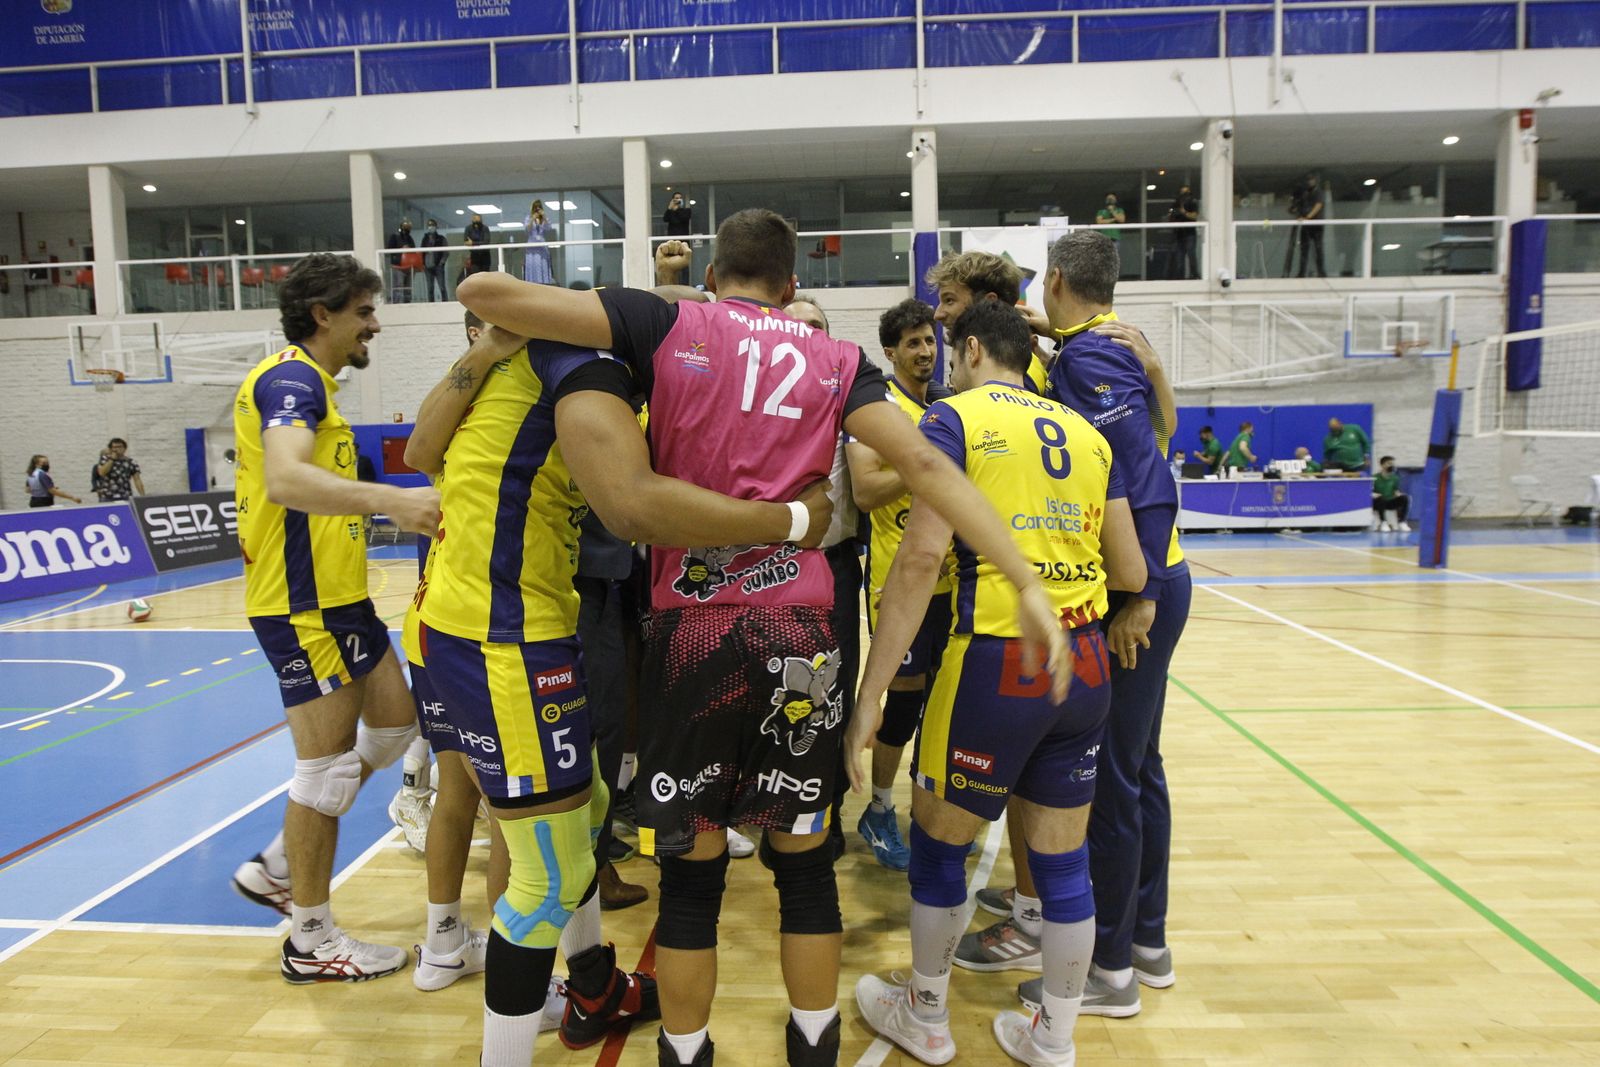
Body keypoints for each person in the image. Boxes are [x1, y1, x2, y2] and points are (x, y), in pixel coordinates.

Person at [457, 207, 1073, 1067]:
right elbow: (933, 465)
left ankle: (687, 1051)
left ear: (713, 274)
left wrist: (638, 299)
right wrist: (1024, 575)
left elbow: (482, 291)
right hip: (801, 637)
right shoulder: (836, 359)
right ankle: (811, 1046)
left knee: (692, 879)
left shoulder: (665, 319)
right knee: (807, 867)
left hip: (690, 632)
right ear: (791, 288)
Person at [399, 296, 835, 1065]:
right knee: (547, 873)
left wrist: (487, 348)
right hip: (501, 637)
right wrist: (792, 523)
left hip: (476, 620)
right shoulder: (585, 370)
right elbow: (635, 507)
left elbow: (417, 453)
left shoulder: (522, 363)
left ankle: (594, 981)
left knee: (591, 810)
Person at [850, 299, 1145, 1067]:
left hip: (994, 660)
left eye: (951, 352)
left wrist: (872, 693)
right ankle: (1054, 1037)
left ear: (972, 349)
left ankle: (927, 1017)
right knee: (1061, 863)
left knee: (940, 852)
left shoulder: (954, 419)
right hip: (1081, 663)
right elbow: (1132, 570)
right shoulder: (1086, 430)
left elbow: (918, 560)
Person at [958, 232, 1190, 1028]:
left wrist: (1144, 593)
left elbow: (1142, 474)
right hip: (1156, 573)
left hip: (1139, 586)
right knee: (1138, 766)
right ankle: (1147, 942)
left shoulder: (1092, 360)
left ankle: (1111, 968)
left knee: (1114, 784)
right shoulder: (1104, 346)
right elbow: (1164, 436)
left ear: (1054, 278)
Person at [227, 253, 443, 983]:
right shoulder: (290, 379)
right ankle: (310, 939)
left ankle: (283, 862)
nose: (373, 326)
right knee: (321, 775)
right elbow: (287, 478)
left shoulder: (314, 386)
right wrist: (392, 501)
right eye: (363, 312)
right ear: (324, 314)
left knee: (394, 724)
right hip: (302, 605)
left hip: (339, 598)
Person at [844, 298, 952, 871]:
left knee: (941, 703)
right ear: (890, 351)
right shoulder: (879, 405)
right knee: (903, 704)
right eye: (912, 342)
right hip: (895, 578)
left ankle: (926, 807)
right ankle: (880, 808)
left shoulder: (946, 405)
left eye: (930, 339)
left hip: (949, 579)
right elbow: (864, 489)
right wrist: (925, 464)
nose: (926, 350)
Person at [785, 294, 858, 864]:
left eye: (817, 327)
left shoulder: (853, 407)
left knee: (832, 695)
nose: (807, 335)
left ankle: (824, 814)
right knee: (780, 696)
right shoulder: (759, 408)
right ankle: (772, 812)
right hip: (767, 569)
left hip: (834, 566)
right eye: (797, 326)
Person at [924, 251, 1051, 394]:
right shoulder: (999, 361)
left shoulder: (1015, 372)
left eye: (949, 300)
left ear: (989, 301)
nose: (938, 315)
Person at [1294, 174, 1328, 279]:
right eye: (1308, 180)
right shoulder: (1305, 194)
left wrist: (1308, 217)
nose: (1309, 182)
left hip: (1316, 224)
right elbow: (1301, 206)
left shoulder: (1318, 193)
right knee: (1304, 249)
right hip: (1306, 225)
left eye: (1311, 180)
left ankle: (1321, 272)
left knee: (1318, 248)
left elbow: (1318, 205)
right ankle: (1302, 272)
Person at [1166, 185, 1198, 280]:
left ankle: (1194, 274)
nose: (1184, 195)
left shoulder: (1192, 203)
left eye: (1186, 193)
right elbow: (1171, 216)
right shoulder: (1176, 203)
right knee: (1179, 257)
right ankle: (1179, 277)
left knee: (1191, 254)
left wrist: (1184, 212)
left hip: (1189, 233)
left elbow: (1195, 216)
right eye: (1182, 193)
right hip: (1178, 234)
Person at [1372, 455, 1411, 531]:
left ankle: (1402, 522)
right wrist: (1374, 494)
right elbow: (1370, 492)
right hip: (1378, 503)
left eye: (1393, 464)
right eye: (1389, 463)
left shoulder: (1395, 478)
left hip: (1390, 502)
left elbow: (1396, 490)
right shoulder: (1375, 477)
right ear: (1382, 465)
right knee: (1381, 499)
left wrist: (1398, 494)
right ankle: (1383, 522)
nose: (1391, 465)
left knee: (1405, 498)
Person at [523, 200, 556, 285]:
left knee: (542, 265)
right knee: (533, 265)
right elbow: (527, 230)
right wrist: (532, 219)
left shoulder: (544, 219)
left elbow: (549, 228)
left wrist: (544, 216)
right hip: (532, 247)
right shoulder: (528, 218)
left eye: (539, 208)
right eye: (536, 208)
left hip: (541, 247)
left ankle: (544, 283)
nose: (537, 210)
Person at [386, 218, 416, 303]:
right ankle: (397, 302)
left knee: (408, 287)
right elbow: (389, 250)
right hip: (398, 266)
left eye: (409, 228)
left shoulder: (410, 238)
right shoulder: (394, 237)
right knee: (399, 286)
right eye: (406, 227)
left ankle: (407, 302)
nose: (407, 229)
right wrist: (401, 249)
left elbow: (413, 250)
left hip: (408, 266)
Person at [421, 219, 449, 302]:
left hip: (438, 266)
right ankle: (431, 304)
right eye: (429, 225)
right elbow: (422, 252)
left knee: (442, 287)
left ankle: (445, 302)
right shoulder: (425, 239)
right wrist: (423, 263)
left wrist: (441, 263)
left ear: (436, 227)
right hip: (427, 266)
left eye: (432, 225)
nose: (430, 227)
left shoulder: (441, 239)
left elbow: (446, 252)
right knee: (430, 288)